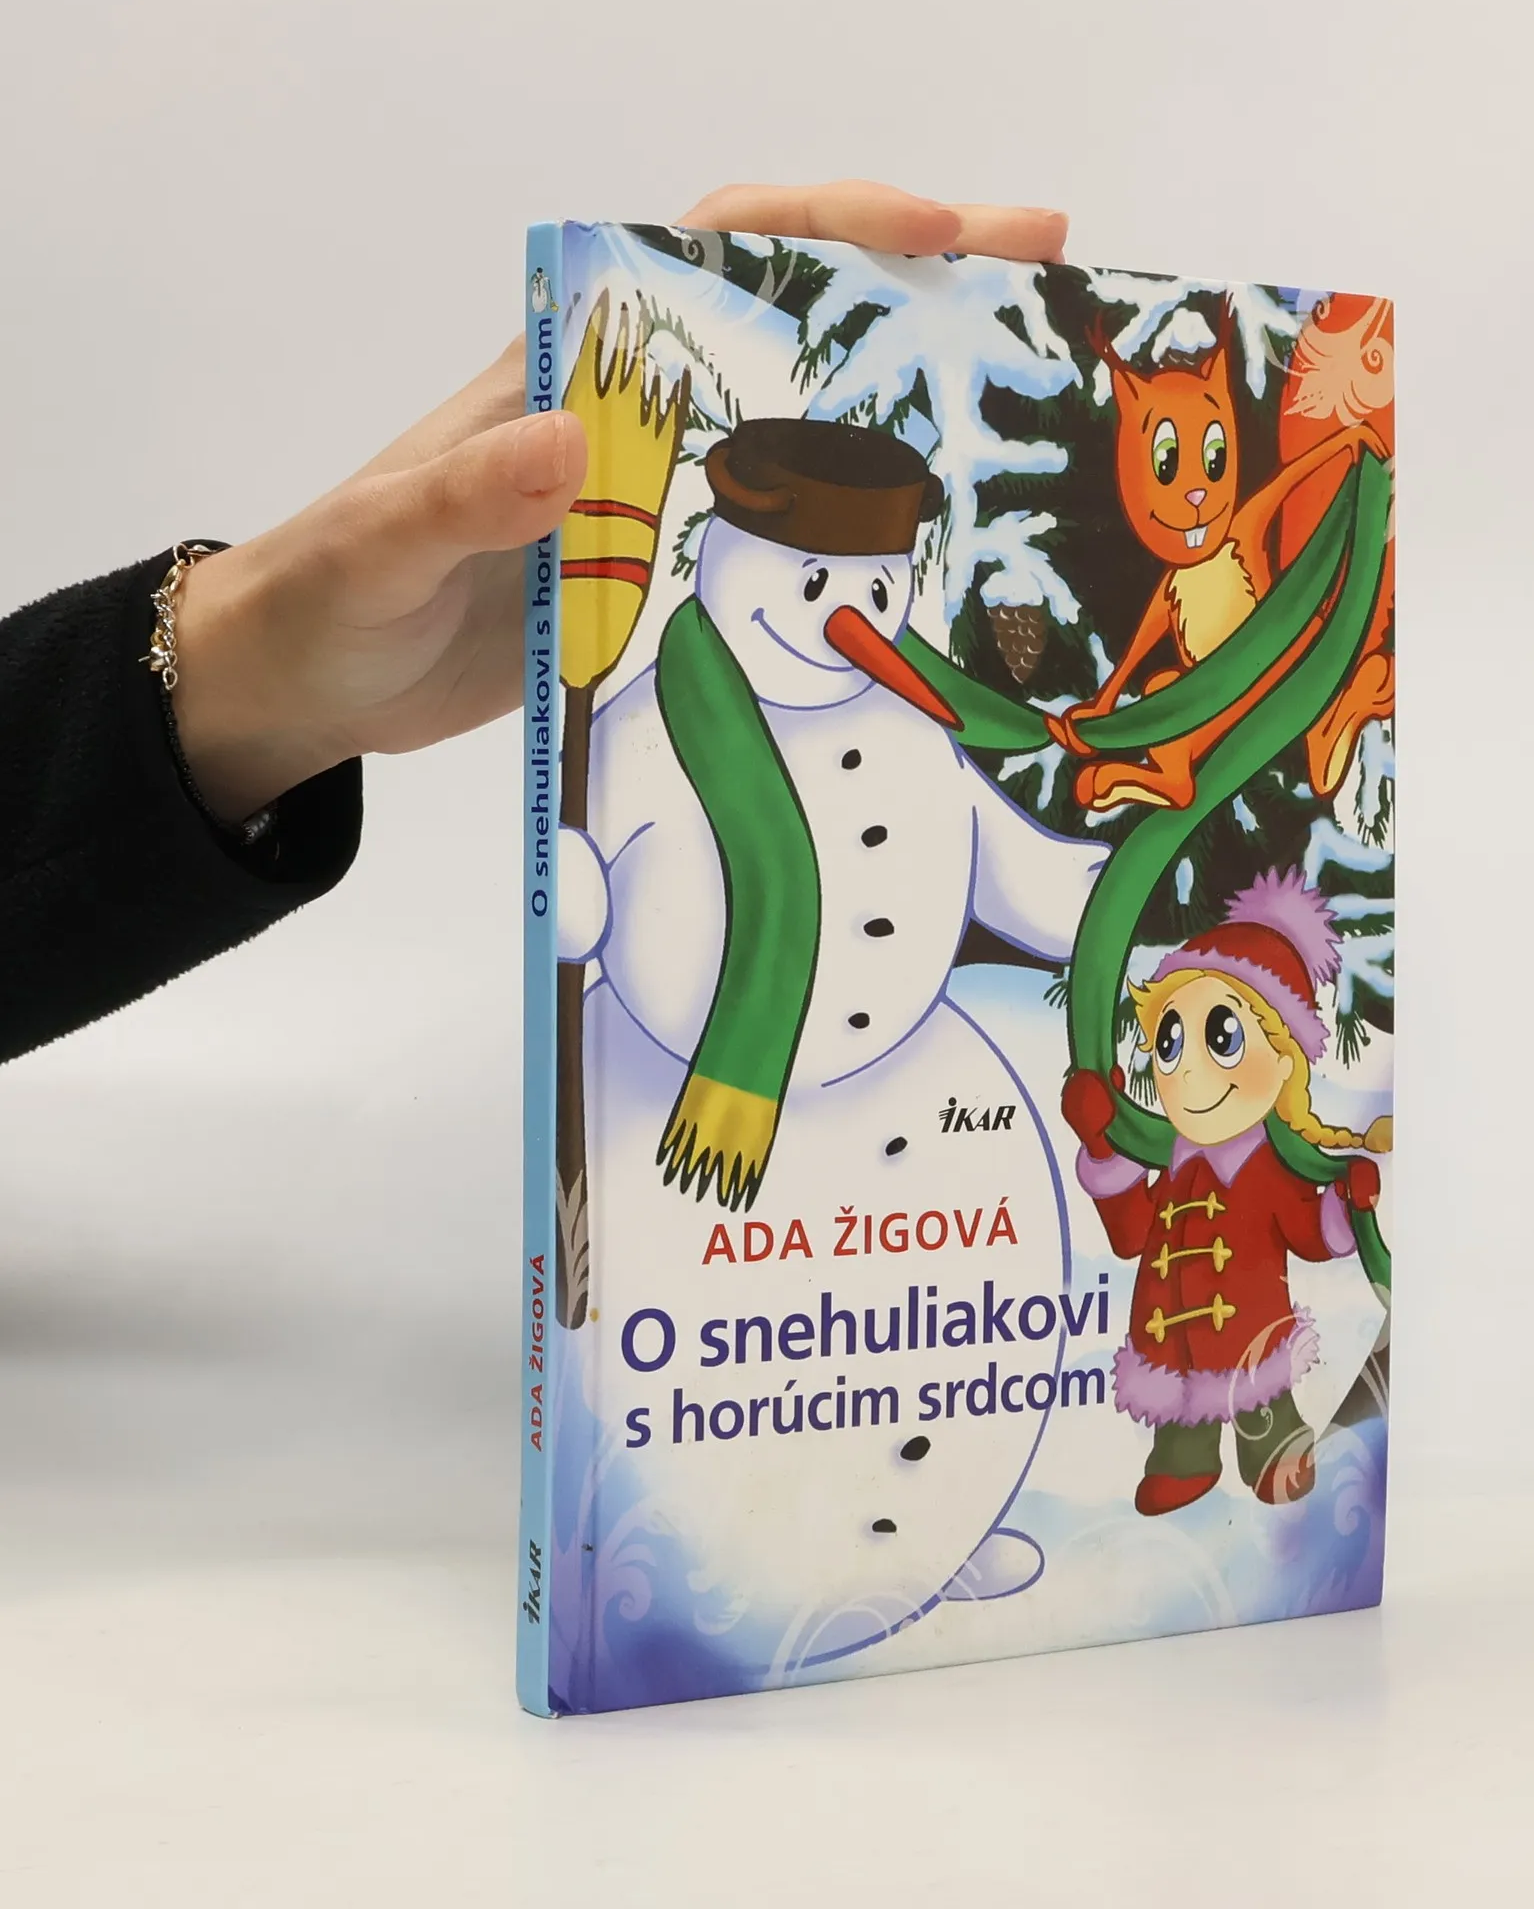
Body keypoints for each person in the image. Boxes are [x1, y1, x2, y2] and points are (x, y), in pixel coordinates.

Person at [0, 183, 1068, 1064]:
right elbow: (587, 904)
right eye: (817, 581)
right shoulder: (655, 710)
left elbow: (1013, 864)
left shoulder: (922, 728)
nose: (851, 621)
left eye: (875, 593)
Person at [1059, 866, 1391, 1515]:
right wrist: (1101, 1144)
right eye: (1170, 1041)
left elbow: (1308, 1232)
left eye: (1222, 1037)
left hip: (1249, 1336)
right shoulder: (1173, 1163)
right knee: (1179, 1419)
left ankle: (1272, 1452)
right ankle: (1183, 1459)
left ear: (1283, 1060)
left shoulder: (1268, 1166)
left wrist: (1346, 1205)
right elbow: (1131, 1235)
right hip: (1167, 1341)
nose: (1186, 1070)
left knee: (1262, 1405)